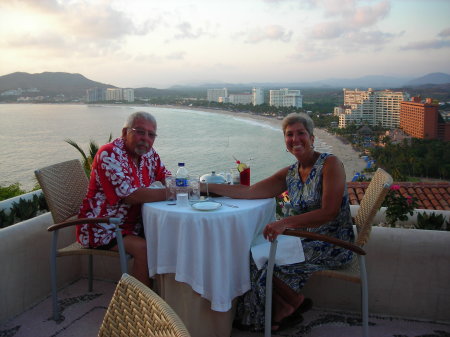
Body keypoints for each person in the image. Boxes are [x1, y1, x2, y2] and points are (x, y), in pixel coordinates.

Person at [203, 112, 355, 332]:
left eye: (300, 133)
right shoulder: (291, 173)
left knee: (262, 258)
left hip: (332, 243)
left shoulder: (330, 164)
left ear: (312, 137)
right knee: (250, 251)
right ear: (285, 141)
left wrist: (285, 223)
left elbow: (329, 212)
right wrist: (206, 188)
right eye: (289, 135)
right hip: (304, 240)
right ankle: (288, 306)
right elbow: (250, 192)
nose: (295, 139)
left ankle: (276, 311)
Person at [77, 111, 170, 287]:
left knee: (169, 238)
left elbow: (167, 176)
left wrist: (188, 186)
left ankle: (165, 296)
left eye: (151, 135)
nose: (146, 139)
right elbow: (130, 196)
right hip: (102, 226)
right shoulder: (109, 154)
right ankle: (139, 306)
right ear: (125, 132)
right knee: (144, 249)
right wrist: (174, 192)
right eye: (140, 131)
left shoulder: (149, 154)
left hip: (134, 223)